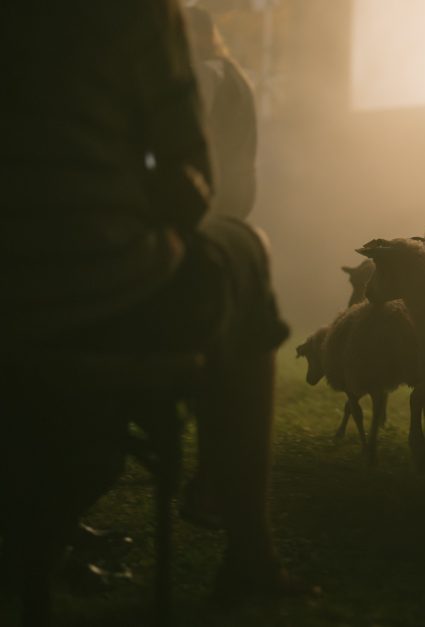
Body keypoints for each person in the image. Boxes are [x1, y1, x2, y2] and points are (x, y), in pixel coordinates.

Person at [0, 1, 306, 600]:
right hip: (101, 297)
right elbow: (189, 177)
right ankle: (247, 547)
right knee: (242, 250)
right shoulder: (135, 14)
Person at [186, 6, 259, 220]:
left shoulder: (206, 73)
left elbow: (193, 124)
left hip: (219, 185)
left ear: (199, 35)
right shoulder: (235, 73)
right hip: (244, 185)